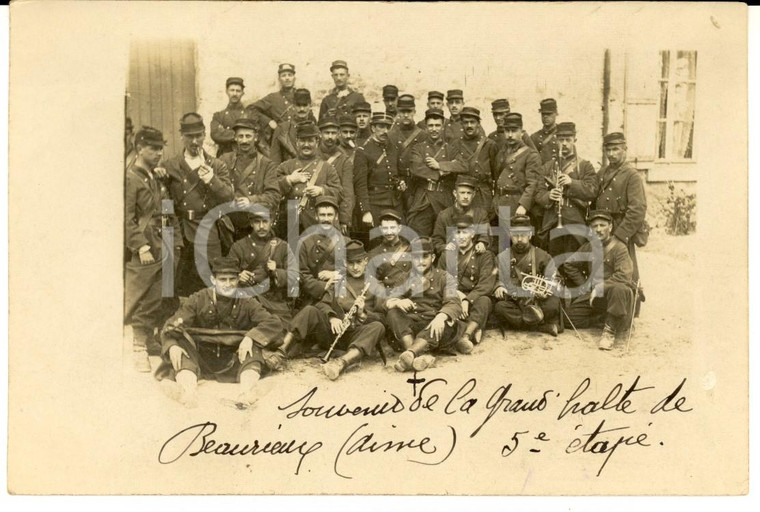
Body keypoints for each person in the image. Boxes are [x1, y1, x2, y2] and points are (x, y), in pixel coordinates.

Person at [156, 257, 283, 408]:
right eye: (223, 279)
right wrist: (172, 346)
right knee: (181, 343)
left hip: (234, 359)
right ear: (213, 280)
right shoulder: (198, 299)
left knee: (253, 346)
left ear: (238, 280)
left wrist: (250, 337)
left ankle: (247, 393)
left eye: (232, 279)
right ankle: (188, 392)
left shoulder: (247, 301)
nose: (228, 284)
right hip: (201, 358)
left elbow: (273, 323)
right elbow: (171, 326)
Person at [270, 240, 386, 379]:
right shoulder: (339, 282)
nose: (355, 267)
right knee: (309, 310)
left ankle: (341, 362)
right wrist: (332, 317)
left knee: (378, 327)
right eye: (350, 263)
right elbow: (322, 304)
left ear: (366, 261)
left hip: (356, 336)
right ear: (345, 263)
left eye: (359, 262)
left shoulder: (376, 285)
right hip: (332, 333)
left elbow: (382, 318)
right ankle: (281, 352)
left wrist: (362, 313)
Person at [125, 127, 183, 372]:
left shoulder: (154, 176)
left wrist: (176, 240)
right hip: (147, 246)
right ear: (139, 148)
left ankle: (150, 341)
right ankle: (138, 347)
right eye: (154, 148)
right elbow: (126, 218)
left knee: (163, 294)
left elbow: (167, 207)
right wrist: (141, 246)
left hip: (167, 243)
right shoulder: (130, 178)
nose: (159, 153)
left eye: (161, 148)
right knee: (147, 295)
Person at [160, 113, 234, 297]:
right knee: (177, 281)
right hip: (181, 231)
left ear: (204, 134)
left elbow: (228, 197)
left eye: (198, 136)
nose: (194, 141)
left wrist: (212, 180)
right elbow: (164, 200)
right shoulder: (170, 166)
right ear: (181, 136)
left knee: (210, 279)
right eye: (189, 136)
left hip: (208, 229)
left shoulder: (216, 165)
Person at [383, 237, 465, 372]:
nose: (420, 261)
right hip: (411, 327)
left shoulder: (445, 277)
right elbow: (389, 300)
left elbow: (454, 303)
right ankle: (417, 355)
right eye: (416, 257)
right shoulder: (404, 277)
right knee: (393, 313)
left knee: (439, 324)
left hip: (435, 327)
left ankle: (410, 354)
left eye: (425, 257)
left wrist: (441, 316)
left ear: (433, 258)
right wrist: (398, 302)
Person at [592, 132, 647, 315]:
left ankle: (630, 310)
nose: (612, 154)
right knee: (604, 268)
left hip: (621, 230)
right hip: (603, 228)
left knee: (627, 270)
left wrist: (619, 236)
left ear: (625, 149)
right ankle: (604, 305)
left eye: (616, 149)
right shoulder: (603, 173)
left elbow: (637, 210)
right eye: (608, 150)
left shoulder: (631, 176)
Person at [564, 210, 636, 350]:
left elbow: (624, 276)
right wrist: (585, 285)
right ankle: (605, 319)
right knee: (567, 318)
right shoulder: (589, 246)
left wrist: (600, 287)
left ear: (610, 227)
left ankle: (609, 332)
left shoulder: (619, 248)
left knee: (619, 289)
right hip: (596, 296)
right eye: (594, 226)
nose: (598, 229)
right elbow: (569, 264)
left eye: (602, 225)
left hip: (616, 295)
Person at [534, 122, 597, 261]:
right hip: (552, 223)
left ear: (575, 140)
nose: (564, 144)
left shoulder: (585, 166)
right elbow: (538, 194)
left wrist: (572, 183)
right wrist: (549, 196)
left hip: (576, 224)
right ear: (556, 141)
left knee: (573, 263)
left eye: (568, 139)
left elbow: (592, 191)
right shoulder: (547, 167)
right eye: (561, 139)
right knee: (553, 262)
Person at [493, 215, 561, 336]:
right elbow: (497, 278)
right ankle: (542, 326)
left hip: (537, 301)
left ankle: (524, 323)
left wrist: (547, 290)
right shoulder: (502, 257)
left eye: (523, 235)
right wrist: (499, 286)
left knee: (553, 304)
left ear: (530, 235)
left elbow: (556, 278)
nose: (519, 239)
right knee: (499, 307)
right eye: (515, 235)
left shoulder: (542, 255)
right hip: (514, 302)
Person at [228, 209, 297, 325]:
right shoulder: (239, 247)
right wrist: (238, 277)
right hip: (247, 301)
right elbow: (225, 274)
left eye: (265, 221)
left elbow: (296, 277)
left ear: (272, 222)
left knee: (280, 331)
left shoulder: (283, 246)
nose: (261, 226)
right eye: (257, 222)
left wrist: (277, 272)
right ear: (251, 223)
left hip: (274, 303)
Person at [218, 117, 280, 243]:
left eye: (248, 136)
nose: (244, 140)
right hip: (228, 225)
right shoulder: (225, 160)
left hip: (255, 227)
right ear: (235, 138)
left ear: (256, 137)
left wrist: (250, 200)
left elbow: (274, 196)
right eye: (240, 136)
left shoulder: (266, 164)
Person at [438, 214, 496, 348]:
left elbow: (486, 284)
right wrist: (458, 296)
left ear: (473, 234)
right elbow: (440, 279)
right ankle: (474, 328)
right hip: (453, 295)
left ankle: (466, 336)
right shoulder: (446, 254)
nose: (462, 236)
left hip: (474, 297)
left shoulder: (485, 255)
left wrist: (467, 300)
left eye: (466, 232)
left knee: (485, 301)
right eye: (458, 233)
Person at [406, 108, 466, 237]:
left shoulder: (450, 149)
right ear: (426, 127)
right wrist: (439, 173)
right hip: (424, 199)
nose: (434, 129)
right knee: (420, 238)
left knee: (444, 236)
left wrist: (440, 165)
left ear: (443, 126)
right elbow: (416, 168)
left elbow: (462, 165)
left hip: (444, 198)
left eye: (437, 125)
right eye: (431, 125)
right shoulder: (418, 148)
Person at [275, 121, 342, 234]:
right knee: (292, 250)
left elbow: (339, 193)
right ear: (297, 142)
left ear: (317, 142)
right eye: (302, 140)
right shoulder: (286, 166)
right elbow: (271, 188)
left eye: (310, 141)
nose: (306, 144)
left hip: (315, 221)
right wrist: (289, 180)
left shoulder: (327, 168)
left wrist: (321, 190)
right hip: (290, 221)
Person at [492, 113, 542, 250]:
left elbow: (533, 184)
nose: (510, 135)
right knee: (503, 246)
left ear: (521, 131)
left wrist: (523, 205)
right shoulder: (502, 153)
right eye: (507, 131)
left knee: (519, 245)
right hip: (501, 205)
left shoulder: (530, 155)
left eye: (514, 131)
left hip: (517, 205)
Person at [354, 112, 405, 230]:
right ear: (372, 128)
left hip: (394, 203)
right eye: (381, 127)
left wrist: (401, 183)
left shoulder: (393, 148)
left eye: (387, 127)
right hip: (375, 205)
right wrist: (365, 211)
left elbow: (400, 173)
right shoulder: (363, 151)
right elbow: (360, 185)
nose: (385, 131)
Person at [451, 106, 499, 212]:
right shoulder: (455, 145)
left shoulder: (489, 145)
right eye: (466, 122)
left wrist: (495, 198)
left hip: (482, 194)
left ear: (478, 123)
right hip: (462, 194)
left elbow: (497, 175)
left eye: (472, 122)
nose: (469, 125)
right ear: (461, 124)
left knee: (481, 225)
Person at [432, 175, 490, 256]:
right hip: (452, 256)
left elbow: (485, 233)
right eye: (462, 193)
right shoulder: (444, 215)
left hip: (473, 257)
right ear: (455, 193)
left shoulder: (480, 214)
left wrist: (482, 242)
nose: (465, 197)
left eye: (469, 193)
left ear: (473, 195)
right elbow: (437, 240)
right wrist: (444, 247)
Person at [389, 94, 428, 214]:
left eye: (409, 111)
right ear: (397, 112)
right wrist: (397, 181)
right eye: (402, 111)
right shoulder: (391, 135)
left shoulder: (422, 135)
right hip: (396, 182)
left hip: (416, 182)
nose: (406, 115)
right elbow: (389, 162)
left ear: (414, 111)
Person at [317, 116, 355, 235]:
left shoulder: (344, 160)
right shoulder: (312, 156)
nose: (330, 137)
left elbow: (348, 193)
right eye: (326, 133)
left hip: (334, 214)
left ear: (338, 134)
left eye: (333, 133)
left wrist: (344, 219)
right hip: (313, 212)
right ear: (320, 134)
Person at [246, 63, 297, 147]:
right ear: (279, 79)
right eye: (283, 75)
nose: (287, 78)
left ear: (294, 78)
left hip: (298, 140)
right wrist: (268, 121)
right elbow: (251, 109)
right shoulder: (272, 98)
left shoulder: (301, 95)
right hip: (279, 141)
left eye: (290, 75)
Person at [366, 209, 413, 290]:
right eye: (385, 228)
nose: (389, 232)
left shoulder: (410, 249)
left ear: (399, 228)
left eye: (392, 228)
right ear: (380, 229)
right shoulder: (374, 254)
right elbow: (371, 283)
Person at [269, 88, 315, 166]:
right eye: (298, 105)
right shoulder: (282, 129)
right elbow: (275, 160)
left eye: (305, 105)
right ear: (293, 106)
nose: (302, 109)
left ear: (310, 106)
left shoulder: (315, 129)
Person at [211, 77, 247, 156]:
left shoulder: (249, 114)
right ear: (227, 92)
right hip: (224, 155)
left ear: (242, 93)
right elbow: (215, 135)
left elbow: (255, 135)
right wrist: (242, 134)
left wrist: (225, 132)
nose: (235, 94)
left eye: (238, 91)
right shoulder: (219, 116)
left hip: (245, 155)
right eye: (232, 90)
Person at [530, 98, 560, 165]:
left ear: (556, 113)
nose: (545, 117)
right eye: (543, 114)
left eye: (549, 114)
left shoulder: (562, 135)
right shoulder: (534, 137)